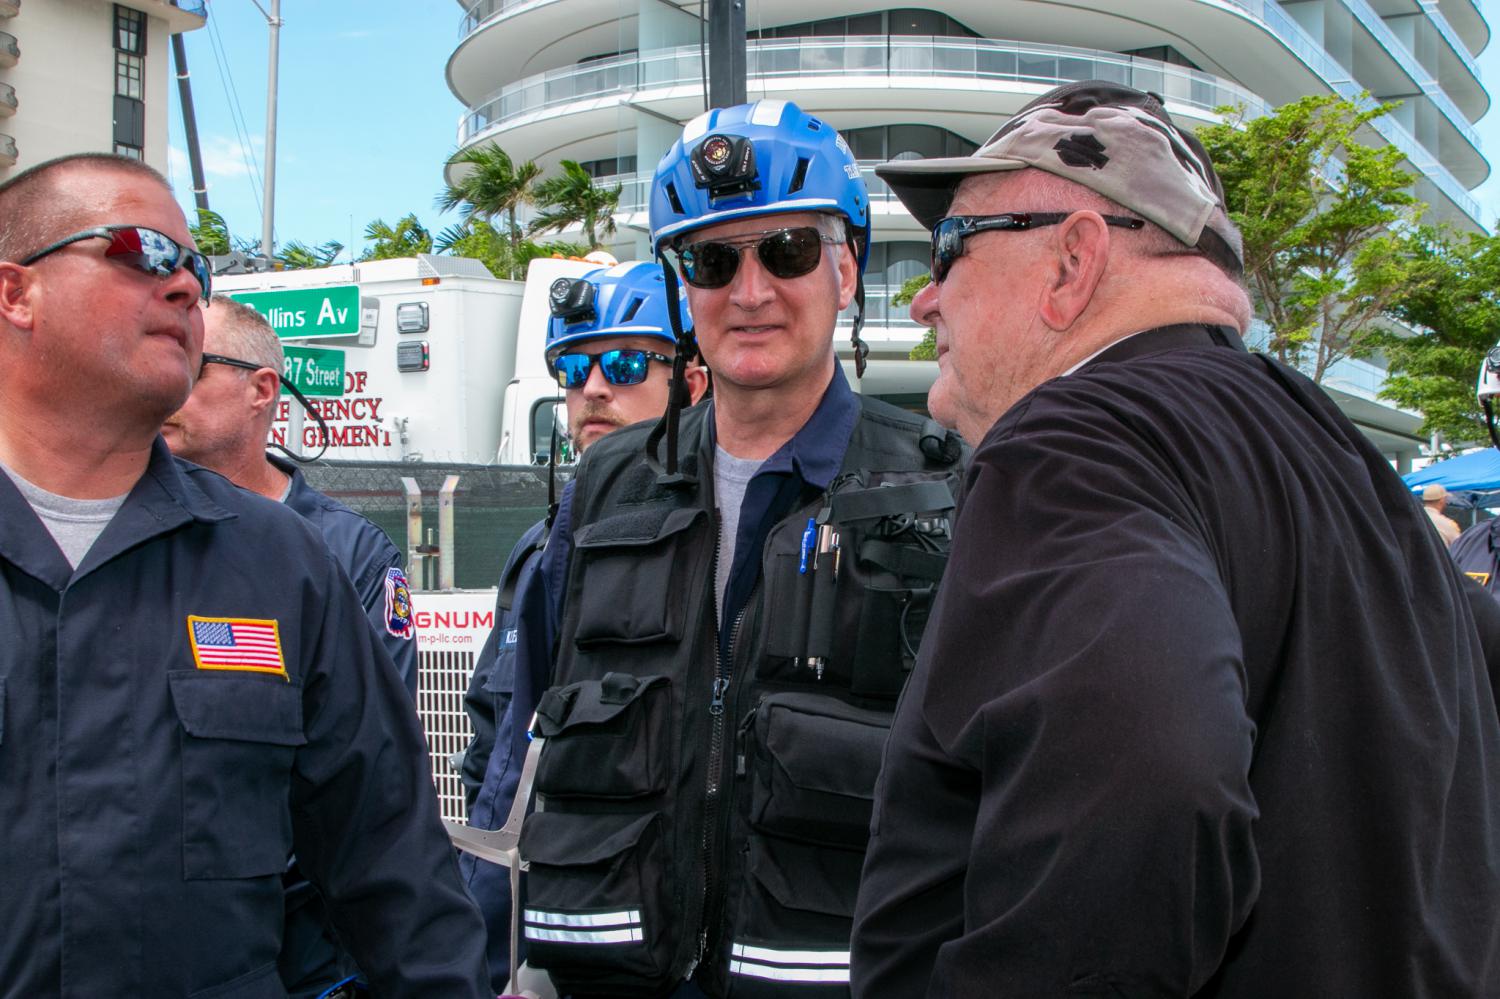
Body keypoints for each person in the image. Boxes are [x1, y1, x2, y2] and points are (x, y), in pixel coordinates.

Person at [849, 80, 1500, 996]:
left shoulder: (1079, 443)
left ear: (1074, 262)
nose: (924, 299)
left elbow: (1154, 775)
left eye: (950, 248)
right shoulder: (1340, 459)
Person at [503, 99, 966, 999]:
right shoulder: (604, 489)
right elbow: (530, 748)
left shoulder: (945, 488)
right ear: (683, 289)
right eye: (714, 261)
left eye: (786, 252)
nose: (749, 291)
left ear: (846, 268)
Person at [0, 153, 490, 996]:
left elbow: (395, 873)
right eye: (142, 251)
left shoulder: (284, 563)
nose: (186, 287)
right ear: (16, 293)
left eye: (195, 266)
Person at [161, 295, 420, 998]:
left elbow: (375, 772)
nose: (167, 382)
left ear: (261, 389)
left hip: (310, 950)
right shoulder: (142, 542)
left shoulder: (347, 552)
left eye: (194, 365)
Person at [460, 259, 708, 993]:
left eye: (627, 363)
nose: (593, 389)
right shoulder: (536, 554)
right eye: (573, 369)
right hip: (550, 938)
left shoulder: (728, 539)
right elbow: (496, 753)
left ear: (691, 382)